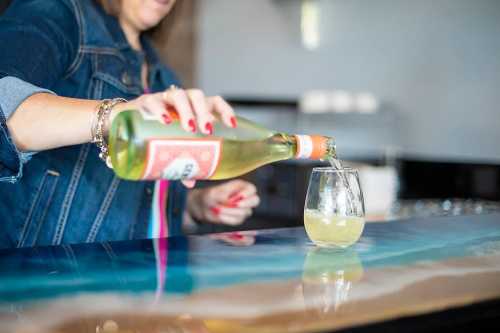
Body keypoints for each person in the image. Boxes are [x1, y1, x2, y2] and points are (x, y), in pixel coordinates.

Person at [0, 0, 260, 249]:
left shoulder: (164, 76)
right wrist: (115, 116)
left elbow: (140, 203)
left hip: (150, 288)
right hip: (53, 284)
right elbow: (6, 109)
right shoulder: (55, 12)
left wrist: (194, 206)